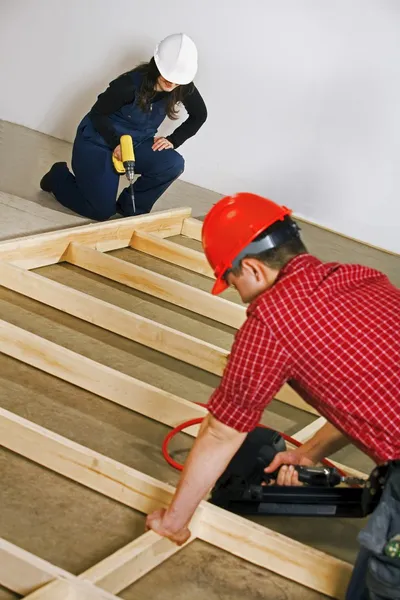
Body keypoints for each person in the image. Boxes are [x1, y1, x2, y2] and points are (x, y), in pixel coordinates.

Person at [145, 192, 400, 599]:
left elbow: (220, 433)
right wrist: (309, 452)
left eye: (229, 280)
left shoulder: (272, 320)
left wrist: (174, 521)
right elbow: (372, 387)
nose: (233, 290)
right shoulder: (360, 277)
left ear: (251, 268)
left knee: (378, 586)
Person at [40, 33, 207, 221]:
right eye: (167, 74)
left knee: (172, 164)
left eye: (178, 78)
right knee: (100, 212)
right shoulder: (128, 84)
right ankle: (57, 178)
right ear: (157, 64)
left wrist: (173, 140)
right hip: (99, 142)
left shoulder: (182, 85)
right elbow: (98, 114)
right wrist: (115, 144)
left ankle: (130, 208)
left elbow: (200, 115)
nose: (172, 82)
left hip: (136, 143)